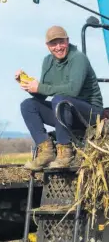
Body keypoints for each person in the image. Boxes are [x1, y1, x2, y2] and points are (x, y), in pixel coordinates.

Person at [15, 25, 104, 171]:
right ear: (47, 46)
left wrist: (40, 87)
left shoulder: (78, 59)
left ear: (67, 41)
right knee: (28, 105)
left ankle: (65, 152)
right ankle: (46, 151)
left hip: (91, 113)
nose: (58, 47)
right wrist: (28, 85)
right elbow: (43, 94)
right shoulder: (48, 62)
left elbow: (73, 90)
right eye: (53, 44)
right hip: (65, 110)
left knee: (59, 99)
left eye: (61, 42)